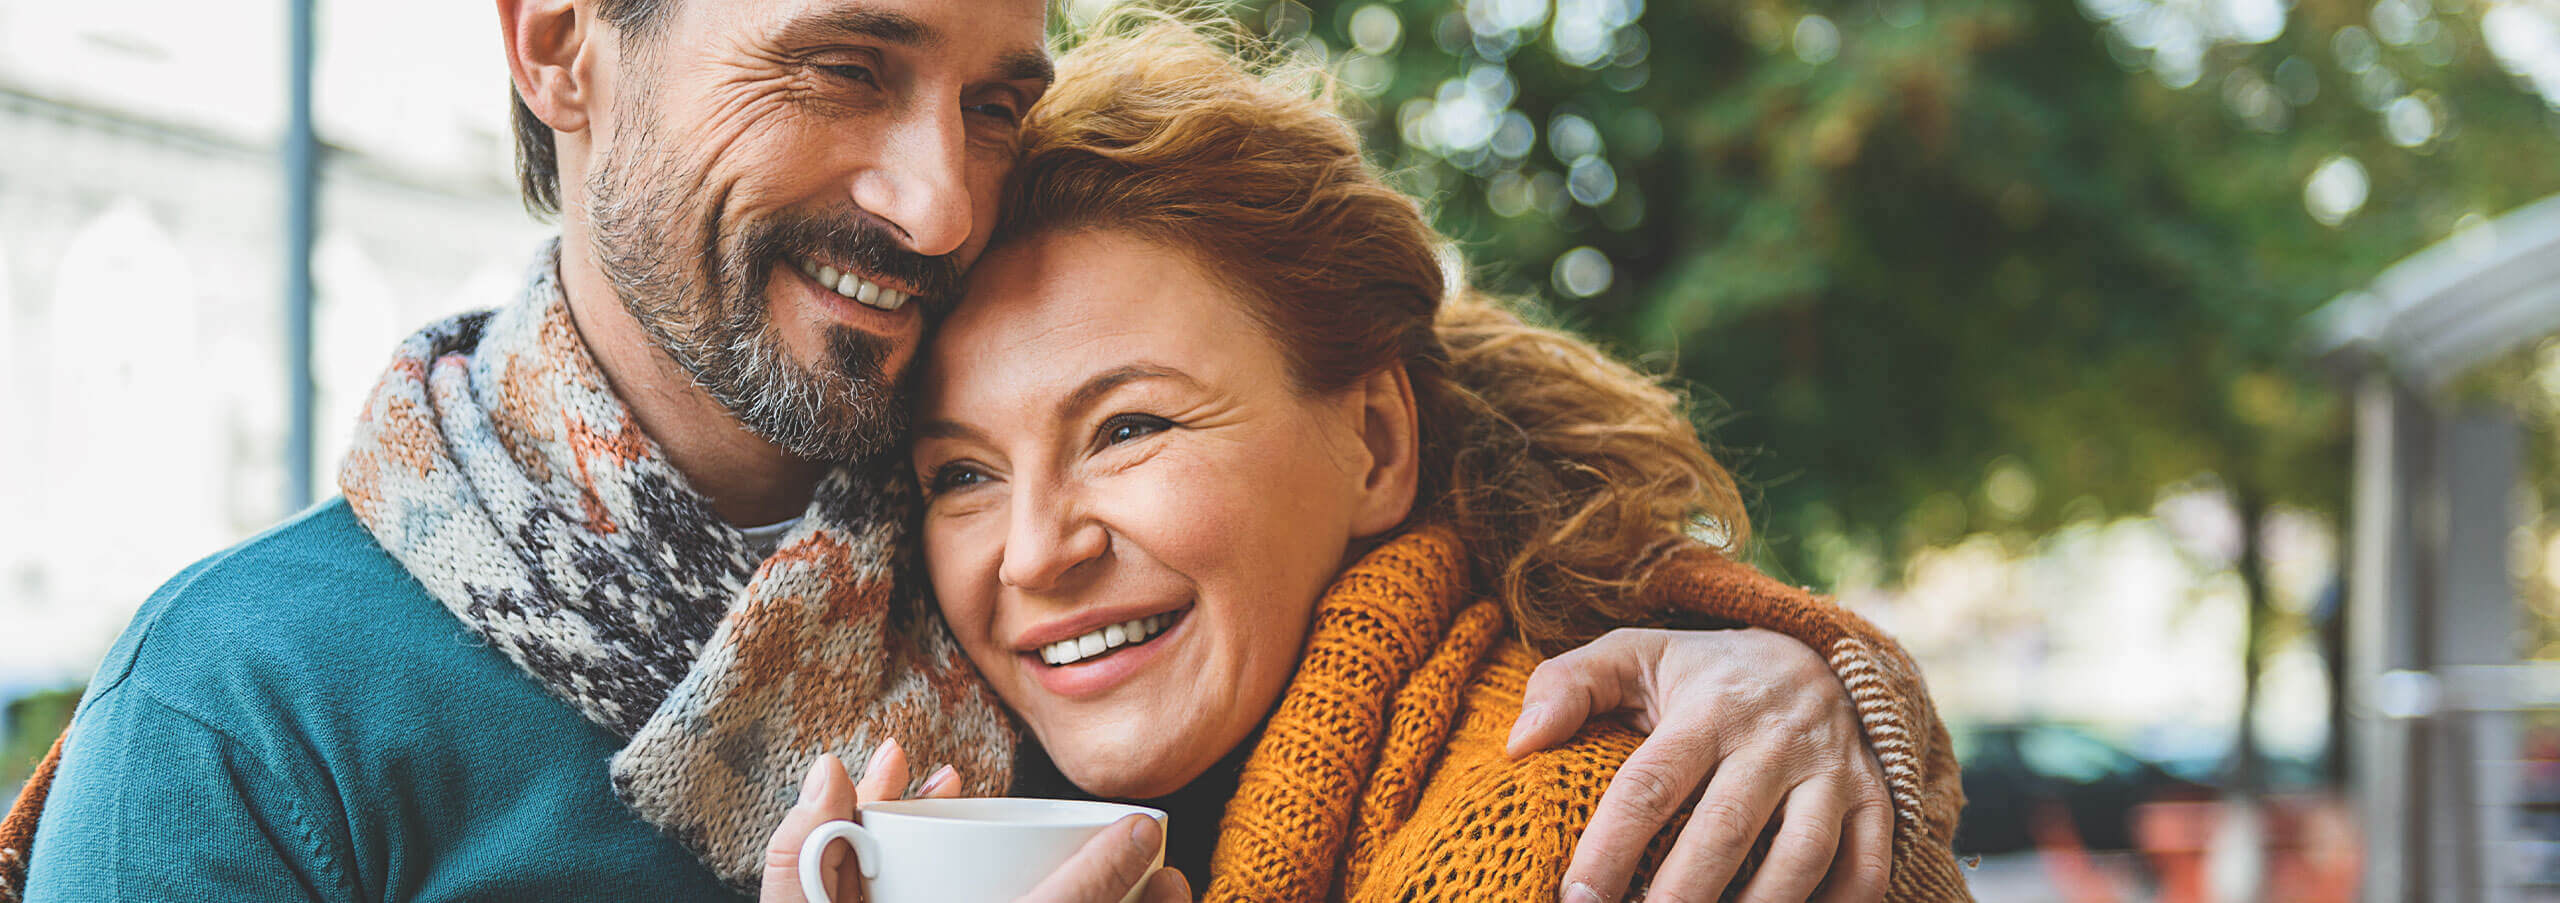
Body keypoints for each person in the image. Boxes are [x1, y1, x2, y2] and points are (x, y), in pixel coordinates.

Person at [0, 0, 1956, 900]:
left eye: (995, 100)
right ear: (556, 47)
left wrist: (1792, 669)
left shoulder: (1103, 667)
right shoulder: (253, 708)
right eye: (844, 64)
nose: (938, 201)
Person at [760, 19, 1967, 903]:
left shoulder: (1565, 823)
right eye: (961, 475)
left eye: (1129, 428)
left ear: (1377, 440)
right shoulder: (955, 788)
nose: (1034, 553)